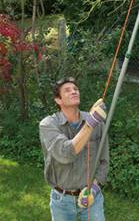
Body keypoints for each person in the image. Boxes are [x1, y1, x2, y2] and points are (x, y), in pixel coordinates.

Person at [39, 76, 109, 221]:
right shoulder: (48, 125)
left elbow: (104, 160)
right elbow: (66, 154)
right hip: (61, 200)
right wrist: (91, 123)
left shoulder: (97, 122)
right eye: (67, 90)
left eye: (76, 89)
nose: (74, 91)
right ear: (58, 100)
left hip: (91, 199)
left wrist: (94, 190)